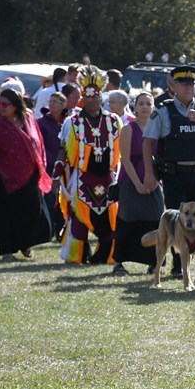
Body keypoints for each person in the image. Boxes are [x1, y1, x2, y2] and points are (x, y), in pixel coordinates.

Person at [142, 65, 195, 278]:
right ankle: (177, 265)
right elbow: (148, 143)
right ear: (173, 86)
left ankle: (191, 263)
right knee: (178, 221)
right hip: (173, 175)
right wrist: (149, 174)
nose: (189, 88)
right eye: (184, 84)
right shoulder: (163, 110)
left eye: (192, 84)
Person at [54, 67, 123, 264]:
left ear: (101, 97)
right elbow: (63, 151)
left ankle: (106, 255)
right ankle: (77, 255)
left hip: (108, 179)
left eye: (96, 96)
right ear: (83, 97)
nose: (92, 100)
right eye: (88, 96)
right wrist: (56, 177)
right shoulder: (73, 122)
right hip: (83, 178)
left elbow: (121, 152)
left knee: (109, 221)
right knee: (78, 219)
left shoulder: (113, 121)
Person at [0, 89, 53, 260]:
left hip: (29, 174)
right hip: (3, 177)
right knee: (5, 215)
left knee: (31, 213)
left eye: (4, 104)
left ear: (15, 105)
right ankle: (7, 251)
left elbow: (38, 143)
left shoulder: (27, 118)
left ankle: (25, 244)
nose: (0, 107)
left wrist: (40, 165)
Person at [112, 91, 165, 276]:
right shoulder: (128, 129)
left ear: (153, 108)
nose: (144, 107)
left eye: (148, 104)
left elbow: (160, 159)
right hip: (130, 183)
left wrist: (155, 181)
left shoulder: (158, 130)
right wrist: (138, 184)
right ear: (135, 107)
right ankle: (119, 262)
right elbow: (125, 160)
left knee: (156, 220)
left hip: (154, 185)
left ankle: (154, 261)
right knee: (127, 220)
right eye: (140, 103)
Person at [38, 91, 68, 237]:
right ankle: (48, 231)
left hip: (68, 167)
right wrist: (54, 161)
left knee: (65, 199)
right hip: (49, 167)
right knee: (50, 199)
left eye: (55, 102)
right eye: (50, 101)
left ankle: (63, 230)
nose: (51, 104)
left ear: (64, 105)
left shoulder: (69, 121)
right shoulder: (42, 123)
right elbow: (40, 145)